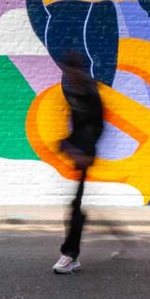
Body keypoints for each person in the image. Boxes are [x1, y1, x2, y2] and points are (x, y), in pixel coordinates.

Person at [53, 51, 104, 274]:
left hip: (85, 152)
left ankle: (70, 255)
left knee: (74, 206)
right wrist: (67, 144)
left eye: (69, 71)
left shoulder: (89, 92)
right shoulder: (75, 89)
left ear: (77, 69)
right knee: (75, 204)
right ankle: (71, 252)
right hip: (78, 149)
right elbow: (77, 124)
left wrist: (84, 151)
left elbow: (97, 126)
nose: (67, 76)